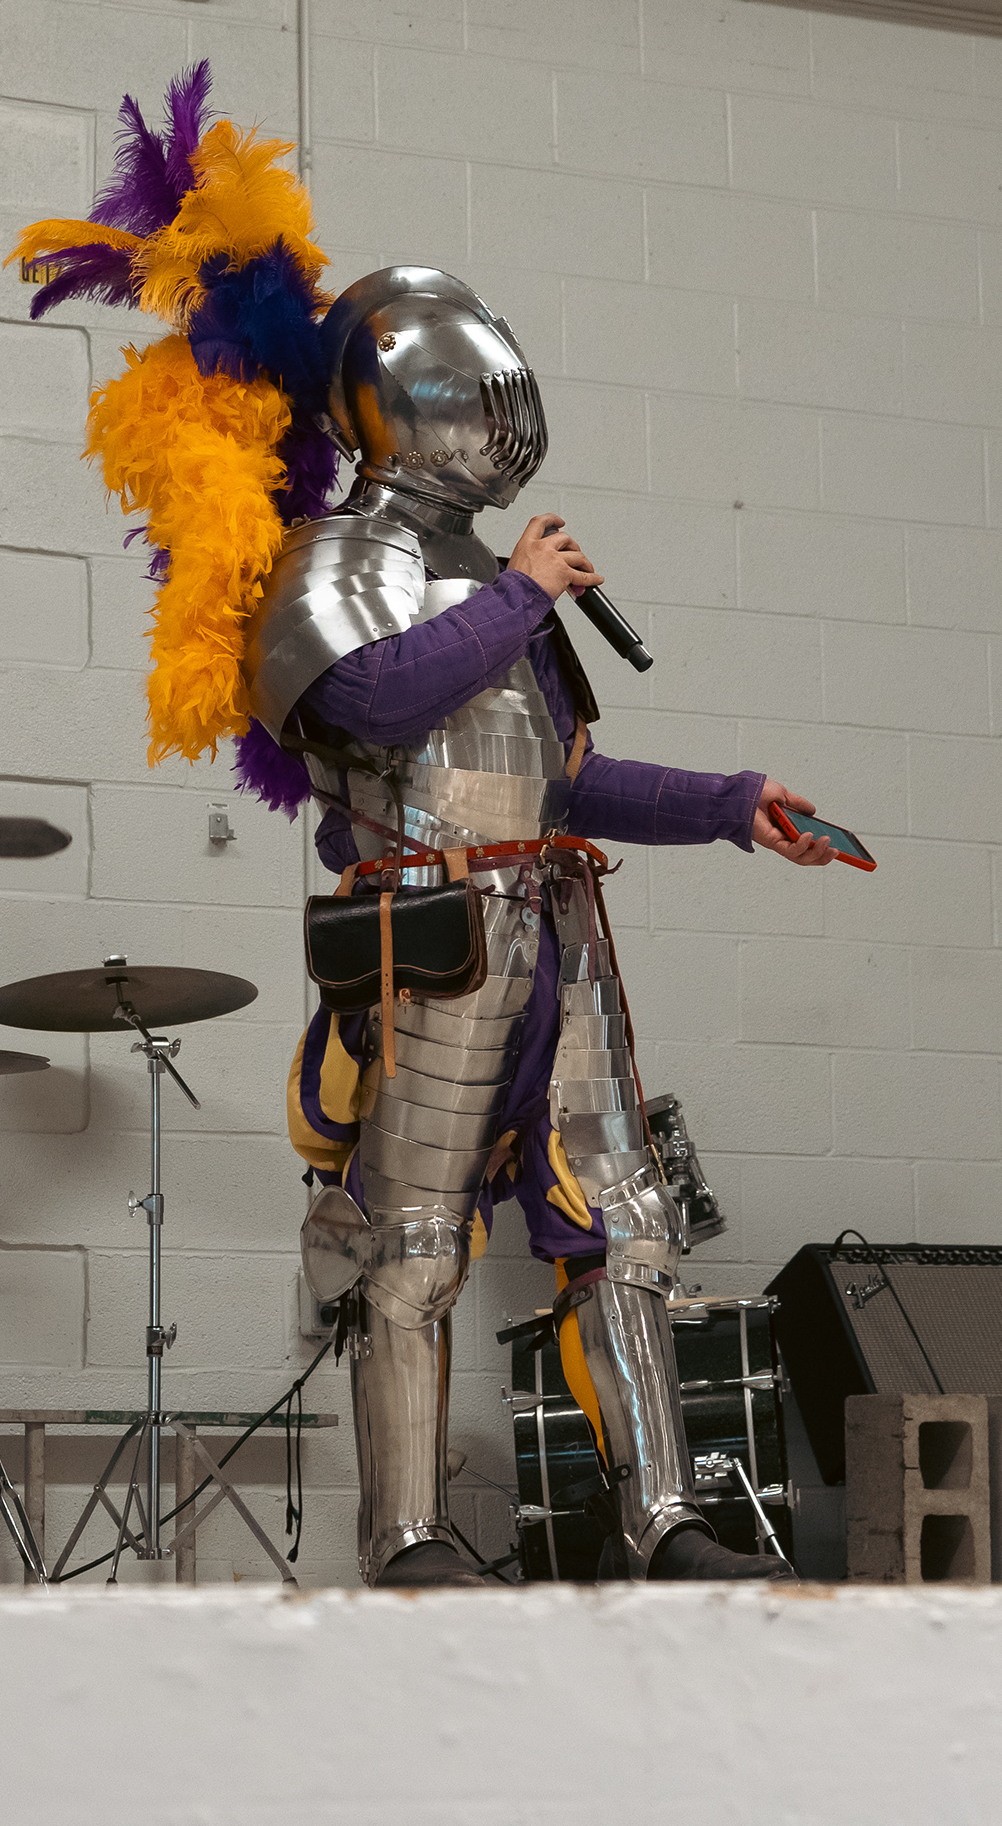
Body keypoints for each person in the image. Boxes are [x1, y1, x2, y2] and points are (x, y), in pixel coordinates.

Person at [255, 268, 838, 1585]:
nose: (501, 420)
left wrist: (733, 805)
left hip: (558, 942)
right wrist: (518, 595)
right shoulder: (337, 556)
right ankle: (405, 1535)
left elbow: (563, 783)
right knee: (412, 1240)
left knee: (625, 1226)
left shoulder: (494, 580)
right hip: (432, 943)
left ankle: (660, 1517)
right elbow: (364, 701)